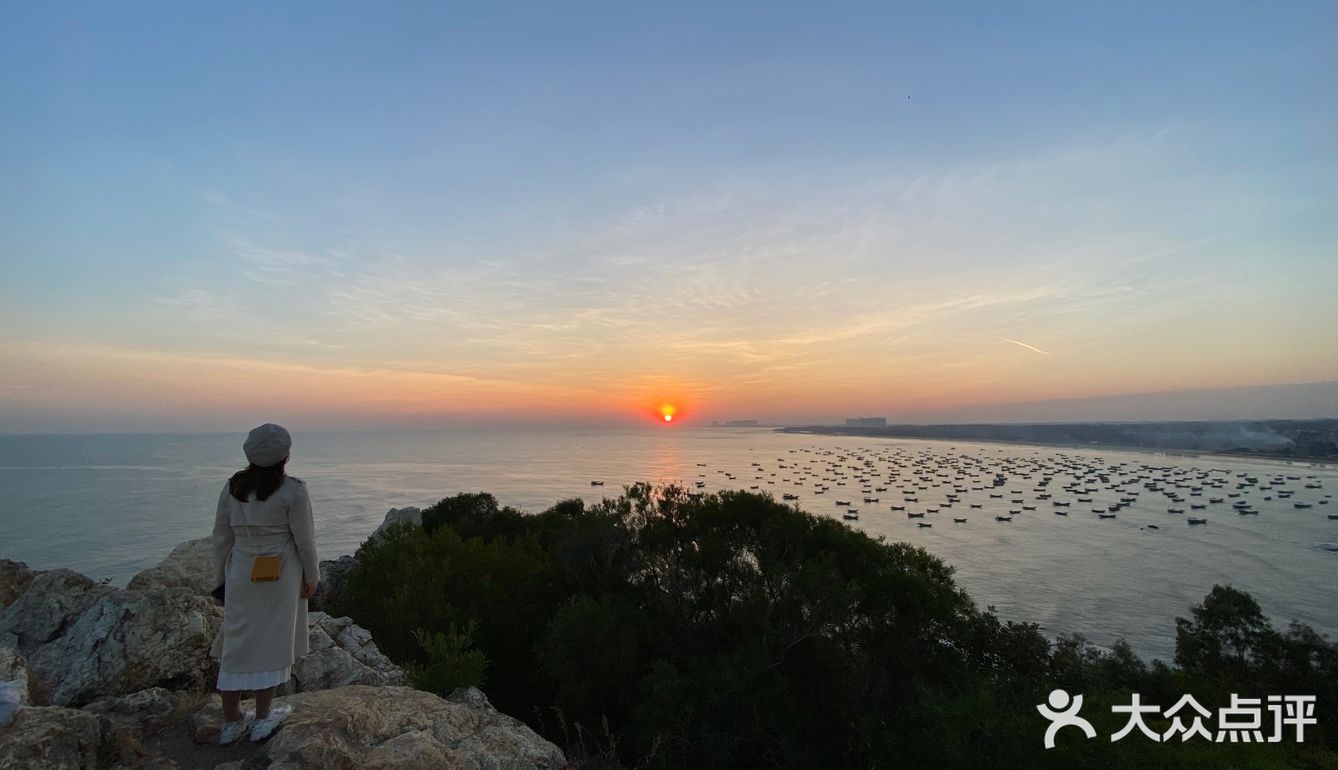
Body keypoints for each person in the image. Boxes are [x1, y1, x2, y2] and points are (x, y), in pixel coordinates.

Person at [210, 423, 319, 745]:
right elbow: (306, 540)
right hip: (280, 572)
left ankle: (231, 721)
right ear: (286, 456)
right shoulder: (293, 491)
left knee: (237, 640)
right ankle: (262, 717)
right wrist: (312, 577)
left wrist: (220, 578)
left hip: (241, 569)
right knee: (272, 640)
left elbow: (221, 537)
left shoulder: (234, 487)